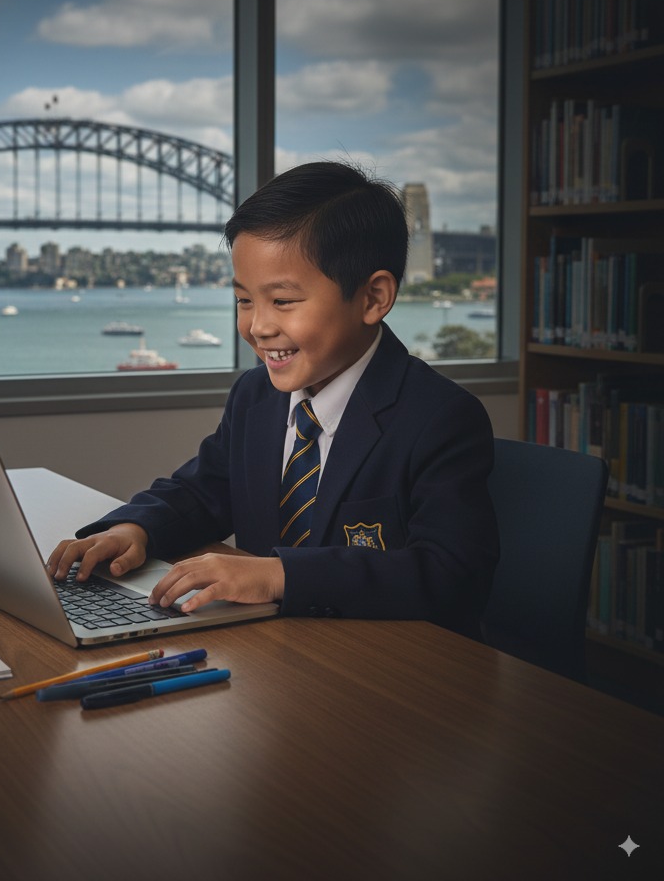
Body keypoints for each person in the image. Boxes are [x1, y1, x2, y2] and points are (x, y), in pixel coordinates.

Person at [46, 161, 499, 638]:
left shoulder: (441, 418)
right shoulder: (255, 395)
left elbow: (452, 576)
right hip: (270, 651)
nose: (257, 326)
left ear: (373, 298)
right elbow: (201, 492)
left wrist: (276, 575)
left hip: (383, 664)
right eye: (244, 300)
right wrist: (133, 530)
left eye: (282, 301)